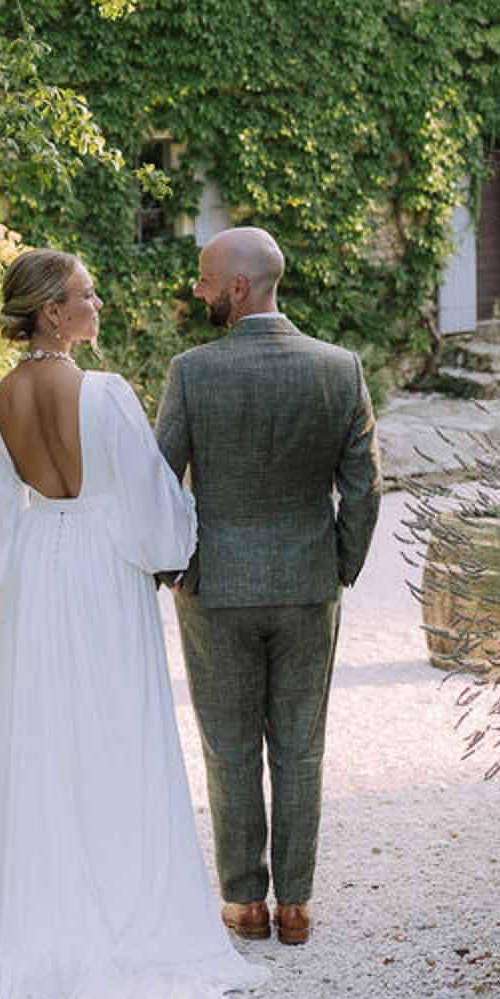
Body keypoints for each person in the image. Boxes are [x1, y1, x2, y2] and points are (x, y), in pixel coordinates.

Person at [0, 248, 268, 999]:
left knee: (40, 731)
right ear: (52, 313)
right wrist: (172, 554)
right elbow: (150, 500)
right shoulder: (106, 394)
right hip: (102, 570)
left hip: (38, 567)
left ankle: (34, 902)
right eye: (85, 293)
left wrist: (1, 586)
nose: (96, 302)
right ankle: (118, 892)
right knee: (116, 731)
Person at [154, 227, 381, 948]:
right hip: (307, 585)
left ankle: (244, 904)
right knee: (300, 746)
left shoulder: (192, 372)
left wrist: (173, 567)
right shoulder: (339, 368)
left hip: (215, 588)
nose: (196, 291)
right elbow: (365, 486)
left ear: (238, 289)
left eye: (203, 280)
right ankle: (297, 907)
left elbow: (159, 480)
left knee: (227, 749)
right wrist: (339, 563)